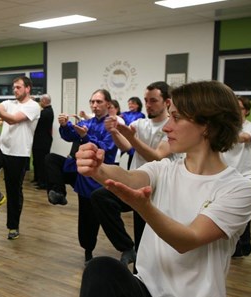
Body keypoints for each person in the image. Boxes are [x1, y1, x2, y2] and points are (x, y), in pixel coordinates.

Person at [74, 81, 251, 297]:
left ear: (207, 125)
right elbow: (128, 176)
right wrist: (98, 169)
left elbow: (187, 239)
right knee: (101, 271)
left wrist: (143, 206)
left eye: (178, 118)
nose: (168, 127)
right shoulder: (165, 169)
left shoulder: (238, 189)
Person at [91, 81, 175, 266]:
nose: (148, 104)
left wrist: (129, 136)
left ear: (167, 102)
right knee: (101, 197)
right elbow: (126, 146)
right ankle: (127, 247)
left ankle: (142, 272)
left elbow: (157, 156)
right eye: (146, 100)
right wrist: (114, 132)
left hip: (159, 190)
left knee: (146, 237)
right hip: (136, 183)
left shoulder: (172, 127)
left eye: (153, 100)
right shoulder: (140, 123)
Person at [45, 89, 118, 264]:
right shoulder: (89, 122)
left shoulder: (111, 127)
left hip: (96, 178)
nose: (94, 105)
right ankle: (59, 193)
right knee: (51, 159)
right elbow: (70, 135)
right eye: (92, 101)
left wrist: (85, 136)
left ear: (108, 104)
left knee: (89, 219)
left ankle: (90, 252)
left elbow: (104, 150)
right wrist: (64, 125)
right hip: (78, 170)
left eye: (99, 102)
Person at [0, 76, 41, 240]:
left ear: (27, 88)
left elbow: (12, 120)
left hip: (19, 154)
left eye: (18, 87)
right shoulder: (9, 103)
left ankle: (13, 227)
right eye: (14, 87)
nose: (15, 90)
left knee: (14, 191)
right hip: (2, 149)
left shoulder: (33, 106)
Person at [221, 95, 251, 257]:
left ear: (247, 111)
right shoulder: (224, 127)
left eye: (240, 108)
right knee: (227, 212)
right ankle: (235, 247)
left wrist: (219, 133)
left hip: (246, 175)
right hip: (226, 175)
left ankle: (244, 245)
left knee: (243, 214)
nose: (236, 111)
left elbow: (243, 138)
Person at [32, 94, 54, 190]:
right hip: (39, 140)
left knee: (41, 162)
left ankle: (43, 183)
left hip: (43, 141)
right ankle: (37, 179)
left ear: (44, 101)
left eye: (40, 101)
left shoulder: (46, 112)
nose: (40, 103)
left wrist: (32, 103)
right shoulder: (47, 111)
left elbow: (35, 118)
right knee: (36, 160)